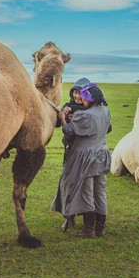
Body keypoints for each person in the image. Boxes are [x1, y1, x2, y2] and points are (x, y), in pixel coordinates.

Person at [51, 82, 112, 238]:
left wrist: (63, 118)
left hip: (87, 157)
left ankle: (89, 230)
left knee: (87, 192)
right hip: (102, 154)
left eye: (84, 98)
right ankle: (100, 228)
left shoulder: (86, 115)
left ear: (90, 99)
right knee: (100, 192)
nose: (82, 100)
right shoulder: (105, 112)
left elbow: (69, 131)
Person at [61, 78, 90, 164]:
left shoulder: (89, 108)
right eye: (75, 92)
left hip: (83, 145)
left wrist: (72, 109)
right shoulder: (68, 105)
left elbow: (84, 109)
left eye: (80, 93)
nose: (77, 96)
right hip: (69, 142)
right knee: (67, 165)